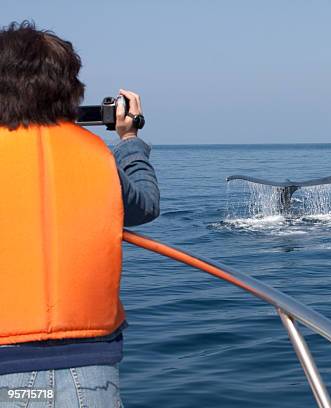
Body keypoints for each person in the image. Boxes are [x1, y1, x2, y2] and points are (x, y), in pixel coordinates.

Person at [0, 21, 160, 407]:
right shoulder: (98, 157)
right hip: (91, 369)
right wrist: (129, 140)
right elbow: (145, 206)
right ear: (70, 88)